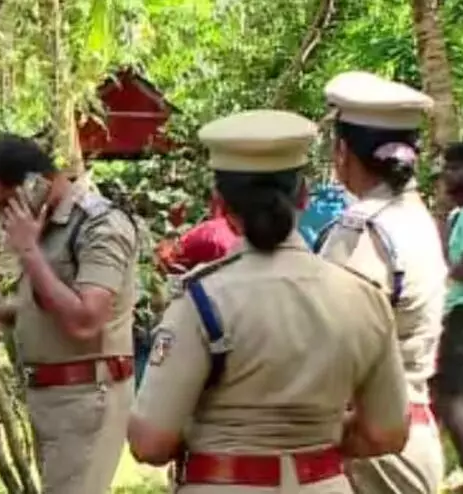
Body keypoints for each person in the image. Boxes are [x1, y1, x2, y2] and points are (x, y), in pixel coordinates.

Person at [128, 109, 410, 494]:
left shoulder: (202, 300)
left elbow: (150, 442)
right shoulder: (363, 298)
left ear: (220, 203)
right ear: (304, 195)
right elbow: (387, 433)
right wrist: (309, 447)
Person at [0, 133, 139, 494]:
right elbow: (51, 305)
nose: (2, 217)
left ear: (35, 184)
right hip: (50, 396)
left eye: (4, 204)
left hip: (85, 396)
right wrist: (1, 311)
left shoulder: (99, 225)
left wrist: (30, 252)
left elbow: (85, 320)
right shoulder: (43, 229)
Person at [316, 71, 445, 494]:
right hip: (413, 432)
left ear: (342, 152)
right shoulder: (415, 216)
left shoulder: (362, 231)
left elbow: (333, 344)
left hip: (370, 444)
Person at [434, 142, 463, 465]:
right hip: (451, 314)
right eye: (446, 168)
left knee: (452, 398)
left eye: (456, 168)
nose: (447, 176)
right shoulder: (455, 217)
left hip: (460, 317)